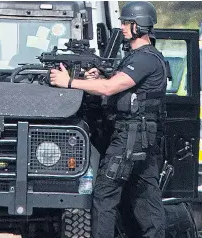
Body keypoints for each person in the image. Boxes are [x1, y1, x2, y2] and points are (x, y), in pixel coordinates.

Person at [49, 1, 167, 237]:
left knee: (105, 196)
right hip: (140, 138)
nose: (122, 27)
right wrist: (98, 74)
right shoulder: (140, 58)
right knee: (146, 201)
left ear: (139, 26)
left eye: (127, 23)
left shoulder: (145, 59)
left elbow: (109, 88)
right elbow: (114, 81)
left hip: (129, 139)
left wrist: (69, 82)